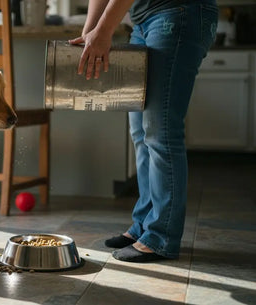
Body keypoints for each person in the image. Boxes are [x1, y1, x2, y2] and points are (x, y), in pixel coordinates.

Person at [70, 0, 218, 262]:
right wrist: (90, 31)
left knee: (160, 130)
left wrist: (103, 31)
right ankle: (144, 226)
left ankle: (161, 237)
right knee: (141, 132)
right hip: (144, 20)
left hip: (177, 12)